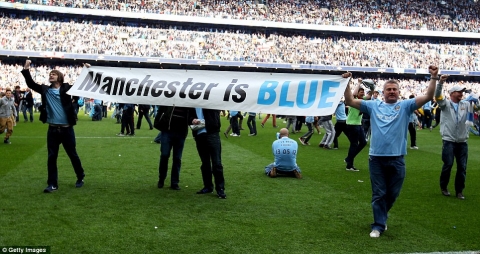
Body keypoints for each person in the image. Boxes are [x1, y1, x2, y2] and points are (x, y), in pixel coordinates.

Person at [343, 66, 437, 238]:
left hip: (397, 158)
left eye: (394, 89)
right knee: (379, 193)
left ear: (399, 92)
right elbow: (349, 101)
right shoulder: (373, 105)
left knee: (392, 194)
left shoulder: (406, 105)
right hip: (376, 159)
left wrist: (434, 77)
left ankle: (381, 216)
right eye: (389, 89)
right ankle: (378, 225)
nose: (392, 92)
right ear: (383, 92)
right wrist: (347, 82)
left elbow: (429, 96)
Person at [21, 60, 85, 193]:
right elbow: (31, 84)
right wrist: (26, 69)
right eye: (50, 74)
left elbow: (80, 85)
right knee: (51, 157)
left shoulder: (67, 88)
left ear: (60, 77)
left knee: (72, 155)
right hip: (53, 130)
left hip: (67, 129)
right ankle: (52, 184)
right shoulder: (45, 90)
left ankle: (80, 177)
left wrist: (85, 69)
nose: (51, 75)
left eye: (54, 74)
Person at [435, 83, 478, 200]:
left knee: (462, 167)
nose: (461, 94)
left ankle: (459, 191)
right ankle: (443, 187)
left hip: (462, 141)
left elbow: (478, 106)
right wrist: (440, 83)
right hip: (448, 140)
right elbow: (437, 95)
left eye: (462, 92)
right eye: (459, 92)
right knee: (448, 164)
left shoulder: (466, 104)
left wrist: (475, 97)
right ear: (452, 93)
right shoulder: (445, 104)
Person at [190, 108, 226, 199]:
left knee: (217, 163)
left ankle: (220, 189)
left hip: (212, 133)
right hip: (199, 134)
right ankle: (208, 186)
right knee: (205, 163)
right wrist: (191, 120)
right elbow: (188, 116)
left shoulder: (211, 100)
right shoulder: (192, 102)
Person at [154, 105, 192, 190]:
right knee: (164, 155)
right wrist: (157, 122)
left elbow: (190, 116)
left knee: (177, 158)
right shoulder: (170, 99)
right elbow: (161, 109)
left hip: (180, 133)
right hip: (167, 132)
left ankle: (174, 182)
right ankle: (162, 179)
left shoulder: (187, 102)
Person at [344, 78, 370, 172]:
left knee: (363, 142)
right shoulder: (354, 99)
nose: (362, 94)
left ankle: (349, 158)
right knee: (354, 144)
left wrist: (371, 87)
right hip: (352, 124)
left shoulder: (362, 100)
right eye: (361, 92)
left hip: (357, 124)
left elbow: (369, 95)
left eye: (363, 92)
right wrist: (359, 83)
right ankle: (349, 165)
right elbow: (353, 94)